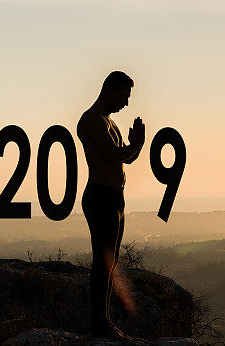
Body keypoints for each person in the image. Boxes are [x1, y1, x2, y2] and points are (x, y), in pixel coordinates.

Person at [76, 71, 145, 338]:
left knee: (111, 261)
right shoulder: (93, 121)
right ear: (112, 90)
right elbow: (113, 155)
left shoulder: (108, 122)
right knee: (103, 261)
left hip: (114, 196)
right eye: (124, 96)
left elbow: (124, 159)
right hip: (100, 195)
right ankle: (100, 323)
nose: (126, 103)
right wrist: (136, 144)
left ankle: (103, 321)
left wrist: (135, 146)